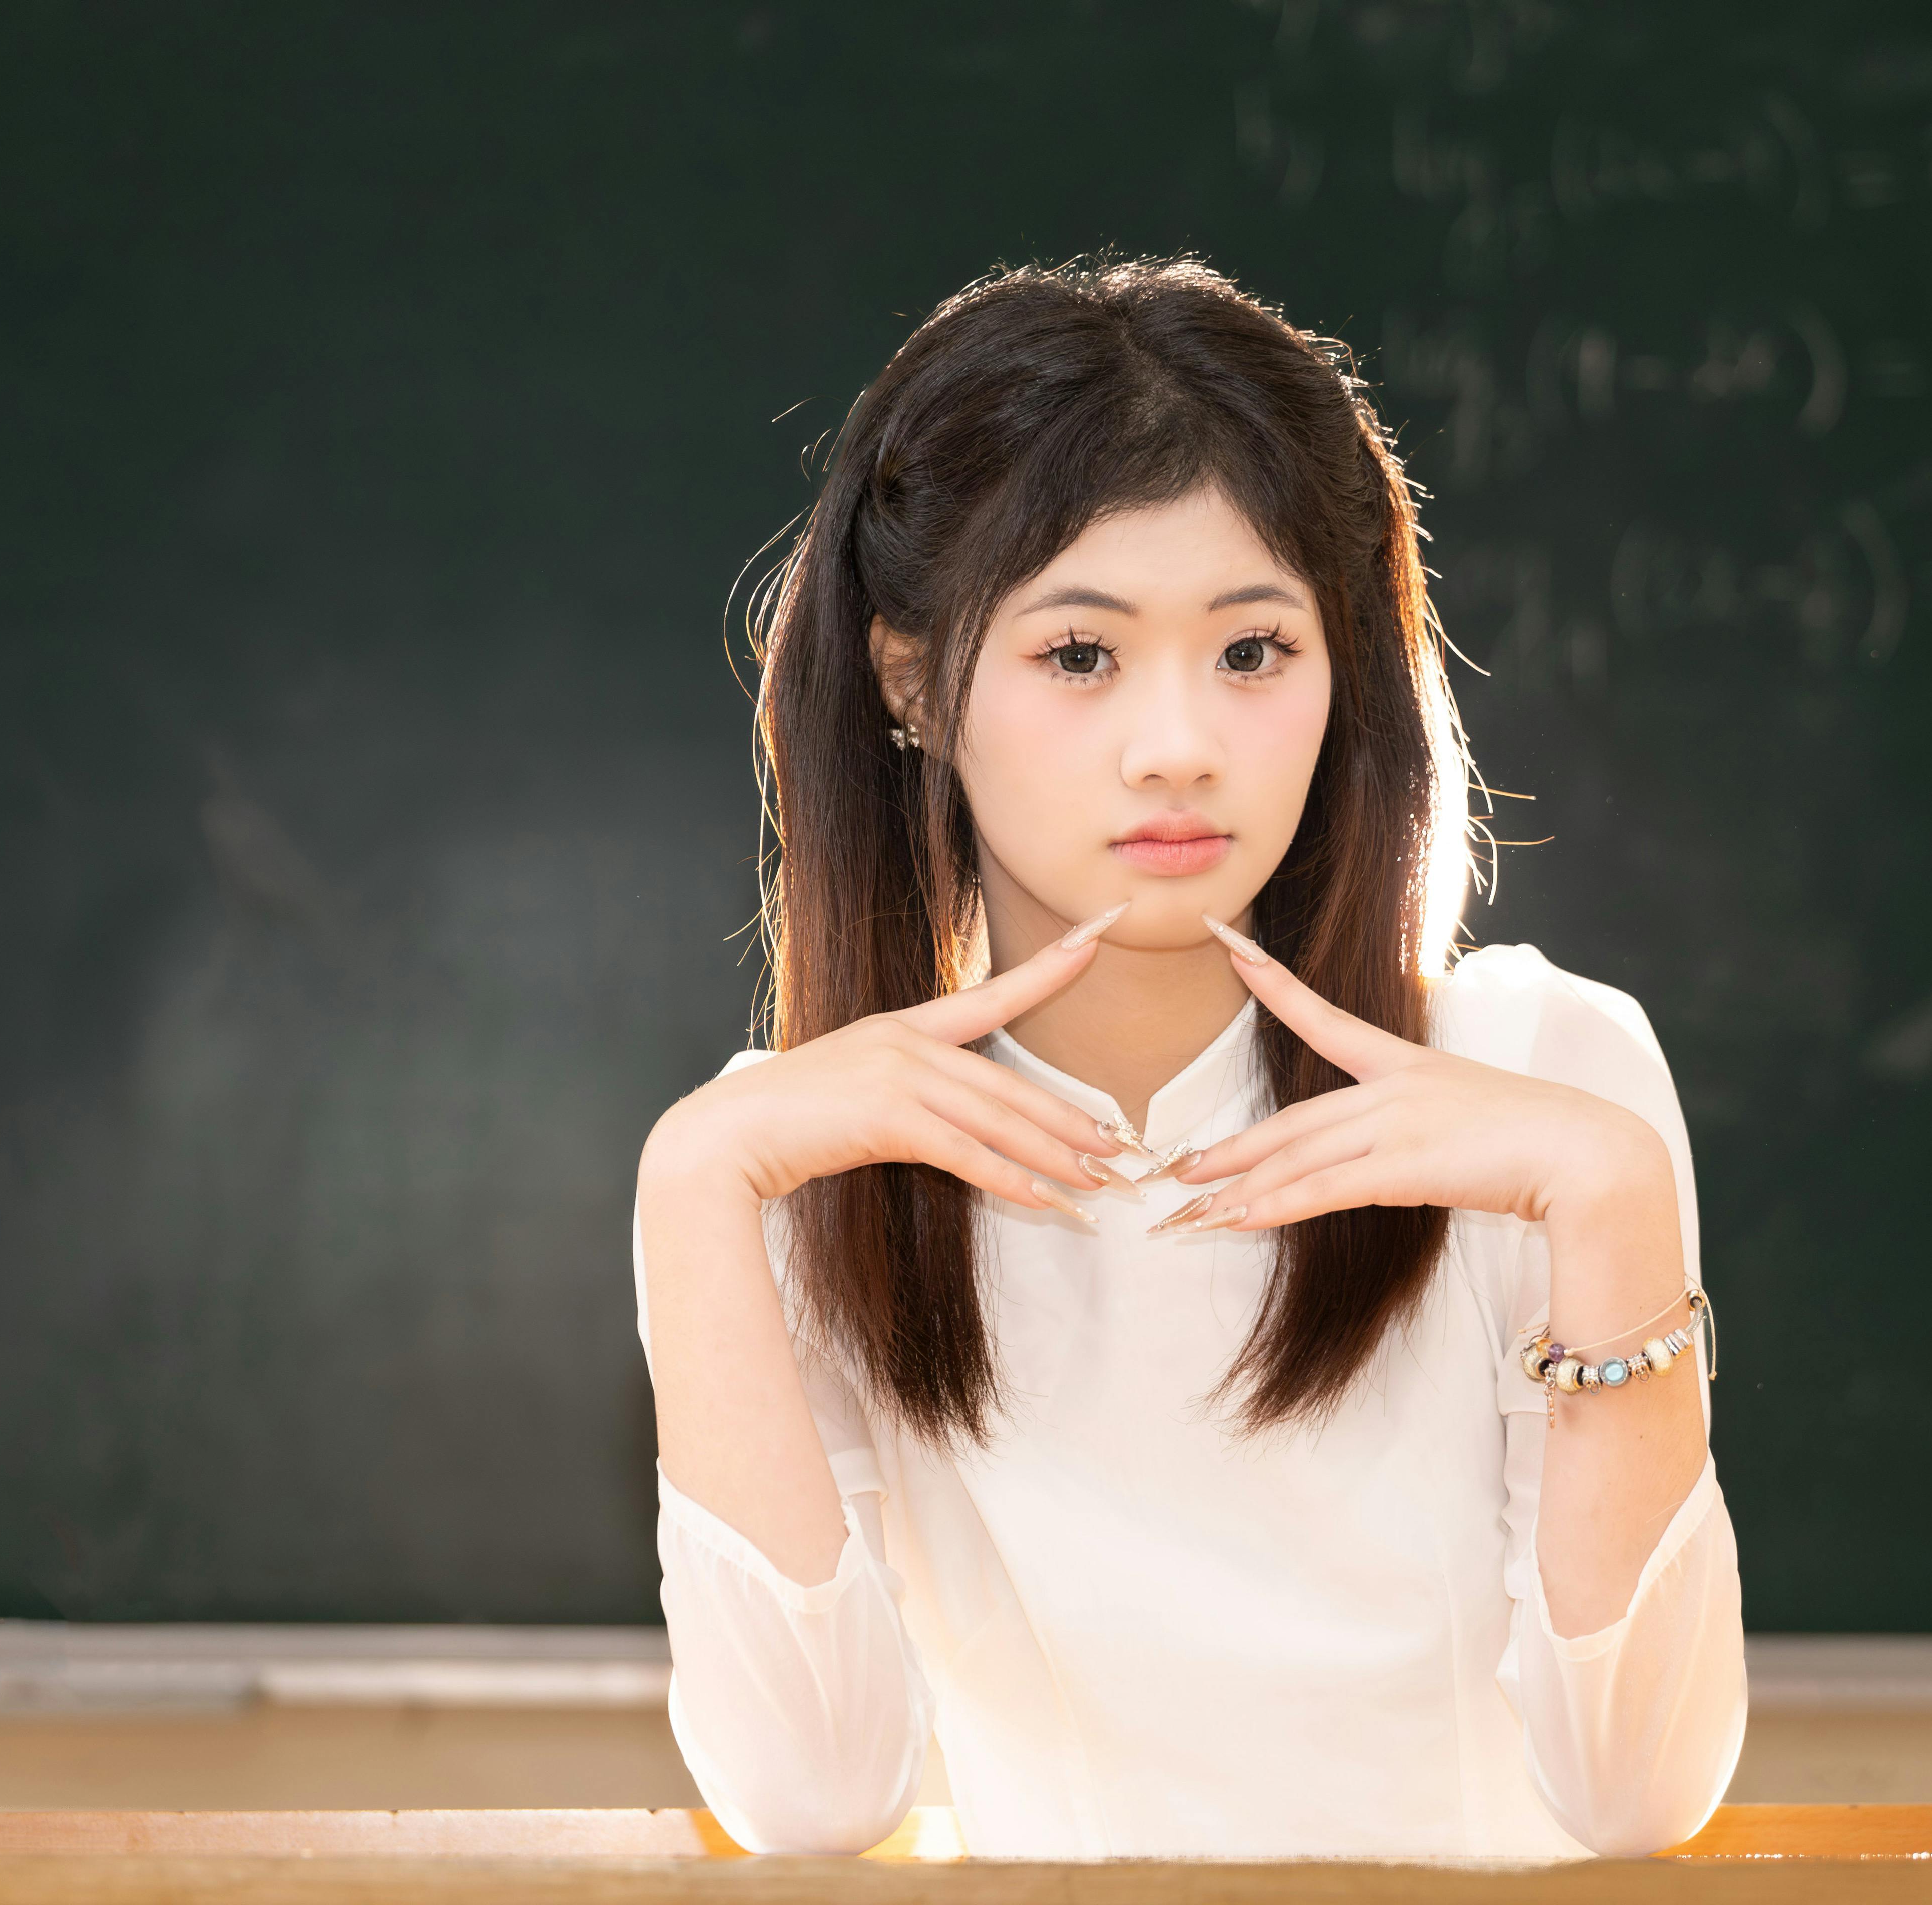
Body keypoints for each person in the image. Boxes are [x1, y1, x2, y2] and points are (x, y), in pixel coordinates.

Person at [633, 256, 1745, 1860]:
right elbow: (810, 1804)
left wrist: (1614, 1193)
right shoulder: (795, 1155)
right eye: (1079, 655)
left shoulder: (1543, 1073)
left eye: (1253, 652)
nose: (1180, 744)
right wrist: (695, 1184)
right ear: (909, 685)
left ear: (1340, 669)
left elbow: (1639, 1797)